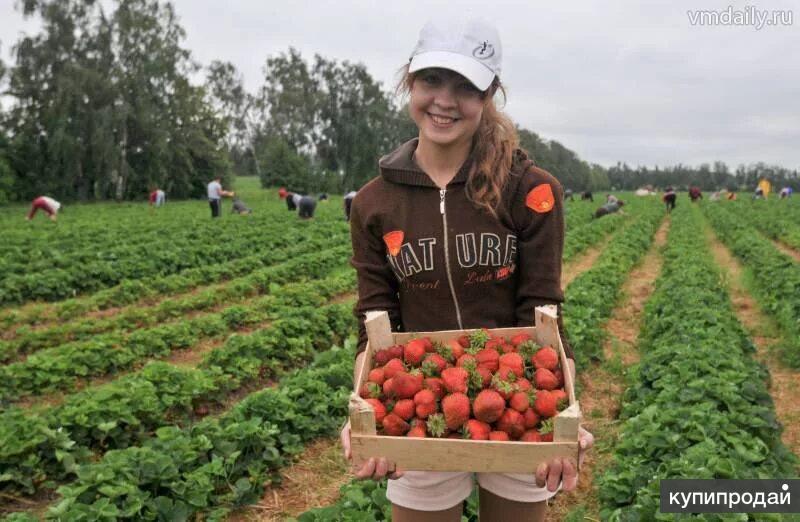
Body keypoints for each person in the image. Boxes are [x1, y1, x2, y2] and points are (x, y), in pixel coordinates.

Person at [342, 18, 593, 522]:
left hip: (517, 398)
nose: (445, 100)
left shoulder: (530, 190)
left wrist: (565, 412)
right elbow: (375, 320)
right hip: (420, 403)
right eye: (431, 80)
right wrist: (365, 412)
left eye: (466, 87)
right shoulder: (373, 203)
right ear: (409, 80)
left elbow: (541, 308)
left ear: (490, 94)